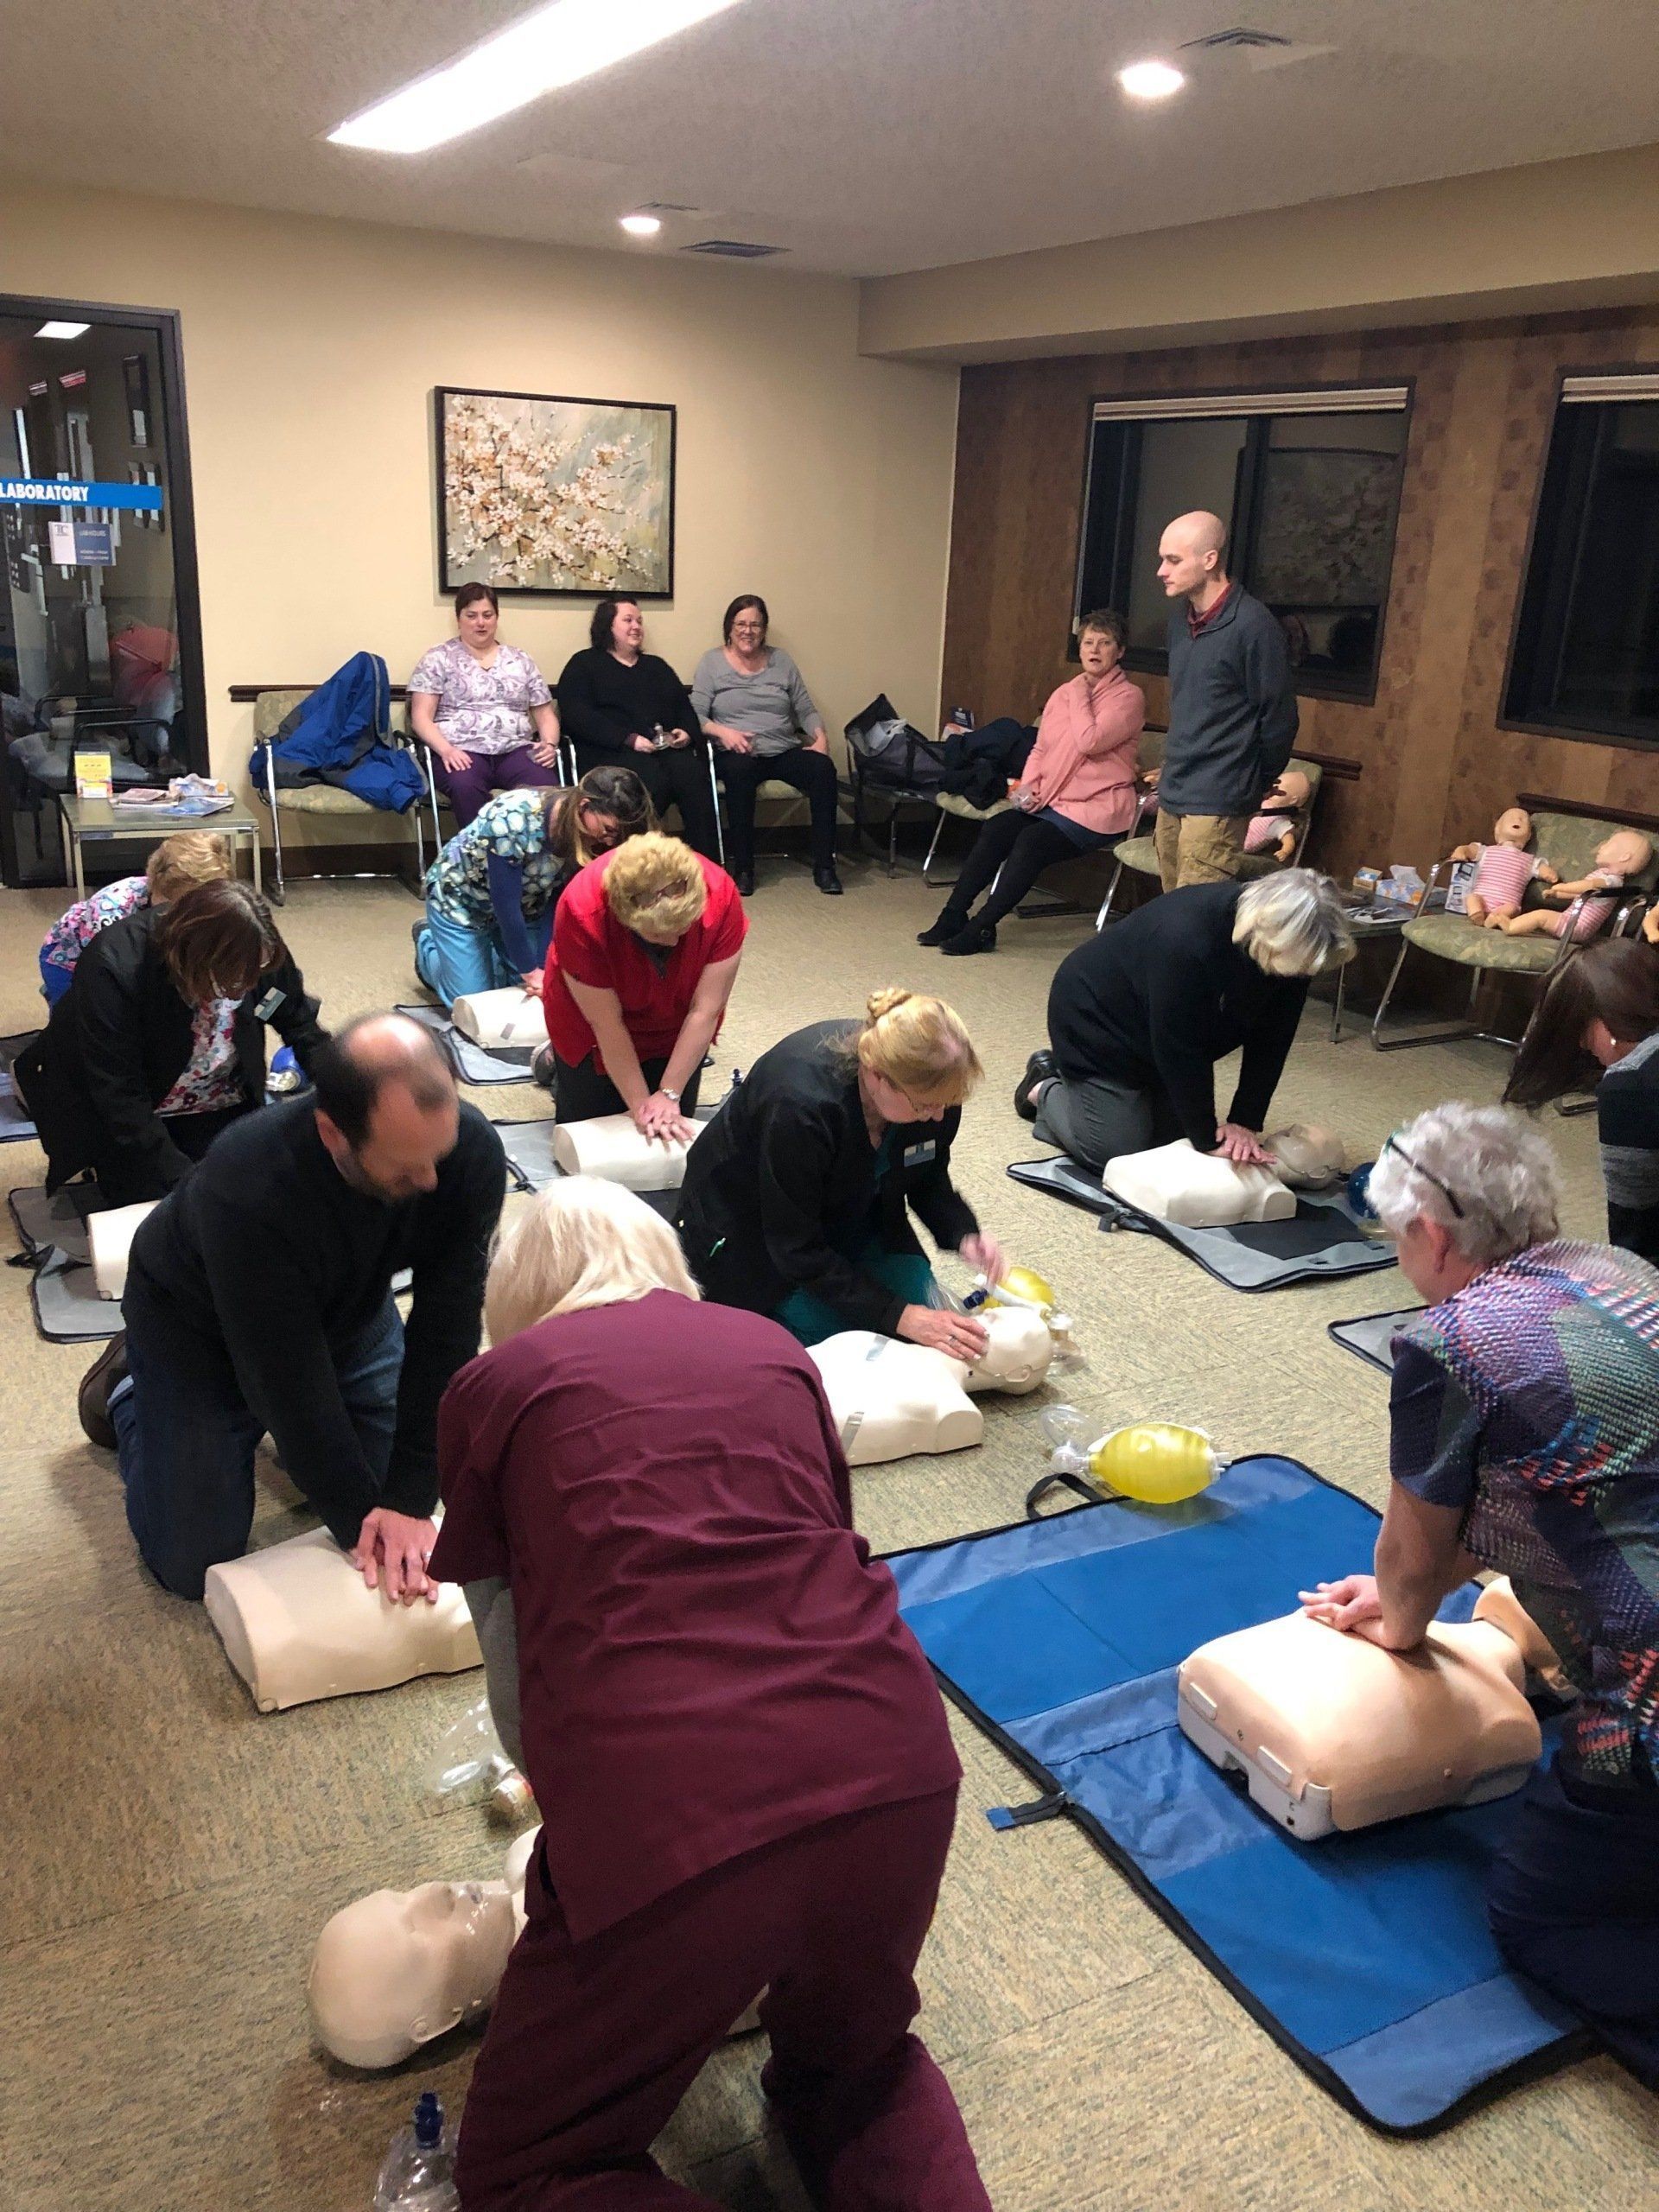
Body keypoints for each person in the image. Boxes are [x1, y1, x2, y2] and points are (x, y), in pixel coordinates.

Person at [428, 1178, 991, 2211]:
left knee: (525, 2167)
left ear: (515, 1296)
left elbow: (519, 1705)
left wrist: (593, 1866)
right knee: (857, 2063)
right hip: (896, 1765)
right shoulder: (772, 1347)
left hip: (673, 1813)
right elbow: (826, 1551)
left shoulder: (493, 1387)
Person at [1298, 1103, 1659, 2089]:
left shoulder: (1448, 1344)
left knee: (1545, 1912)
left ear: (1431, 1234)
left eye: (1392, 1237)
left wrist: (1399, 1612)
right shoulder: (1620, 1271)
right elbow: (1532, 1478)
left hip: (1650, 1700)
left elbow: (1412, 1574)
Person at [76, 1014, 507, 1604]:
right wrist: (362, 1525)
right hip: (194, 1326)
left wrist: (405, 1500)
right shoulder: (247, 1181)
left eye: (438, 1154)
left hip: (349, 1304)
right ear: (334, 1134)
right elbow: (285, 1380)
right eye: (405, 1168)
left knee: (404, 1487)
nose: (431, 1180)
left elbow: (447, 1327)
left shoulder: (471, 1153)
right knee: (191, 1564)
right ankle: (131, 1391)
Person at [678, 988, 1004, 1353]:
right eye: (926, 1104)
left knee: (920, 1325)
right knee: (840, 1348)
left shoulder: (933, 1095)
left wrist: (963, 1232)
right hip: (755, 1235)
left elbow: (926, 1175)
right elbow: (795, 1248)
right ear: (876, 1074)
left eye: (947, 1103)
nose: (939, 1116)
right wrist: (900, 1316)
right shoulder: (799, 1106)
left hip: (856, 1212)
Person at [1018, 871, 1352, 1173]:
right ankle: (1044, 1085)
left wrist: (1245, 1120)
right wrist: (1207, 1138)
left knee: (1169, 1143)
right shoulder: (1186, 938)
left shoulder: (1298, 944)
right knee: (1118, 1152)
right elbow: (1179, 1047)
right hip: (1094, 1022)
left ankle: (1128, 1099)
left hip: (1155, 1026)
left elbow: (1274, 1036)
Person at [16, 879, 326, 1205]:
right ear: (194, 957)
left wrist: (348, 1093)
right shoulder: (115, 966)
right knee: (171, 1215)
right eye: (231, 975)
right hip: (135, 1114)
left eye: (256, 970)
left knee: (272, 1188)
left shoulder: (258, 952)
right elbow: (119, 1096)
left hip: (221, 1100)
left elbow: (301, 1025)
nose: (244, 987)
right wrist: (184, 1182)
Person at [918, 607, 1144, 955]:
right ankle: (953, 914)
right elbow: (1041, 747)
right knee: (996, 828)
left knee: (1030, 842)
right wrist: (1029, 786)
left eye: (1105, 643)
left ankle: (983, 927)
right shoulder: (1062, 693)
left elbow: (1089, 740)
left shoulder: (1128, 698)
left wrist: (1082, 692)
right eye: (1088, 642)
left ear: (1120, 651)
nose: (1094, 650)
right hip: (1051, 800)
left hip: (1096, 809)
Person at [537, 832, 746, 1134]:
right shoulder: (582, 908)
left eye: (683, 929)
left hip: (677, 1019)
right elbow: (607, 1024)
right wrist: (641, 1106)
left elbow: (706, 1011)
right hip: (593, 1027)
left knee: (673, 1132)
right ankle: (554, 1070)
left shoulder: (721, 894)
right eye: (660, 936)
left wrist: (669, 1093)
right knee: (593, 1132)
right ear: (625, 917)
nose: (674, 941)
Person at [413, 766, 653, 1007]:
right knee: (474, 1003)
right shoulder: (513, 817)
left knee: (527, 990)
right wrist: (529, 970)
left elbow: (559, 900)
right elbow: (505, 906)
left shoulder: (595, 835)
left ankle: (481, 955)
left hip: (529, 904)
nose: (611, 839)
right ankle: (428, 949)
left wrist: (542, 966)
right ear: (584, 806)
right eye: (609, 829)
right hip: (462, 902)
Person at [1153, 510, 1297, 890]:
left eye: (1173, 560)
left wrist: (1256, 780)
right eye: (1162, 559)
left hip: (1220, 792)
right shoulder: (1178, 621)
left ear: (1210, 559)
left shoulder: (1254, 625)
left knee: (1194, 917)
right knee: (1169, 909)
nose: (1161, 571)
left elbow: (1279, 717)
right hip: (1175, 784)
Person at [1503, 937, 1659, 1265]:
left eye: (1583, 1034)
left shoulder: (1630, 1085)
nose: (1585, 1047)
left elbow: (1635, 1241)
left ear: (1602, 1021)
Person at [690, 594, 842, 897]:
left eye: (756, 625)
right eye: (742, 624)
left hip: (782, 749)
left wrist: (820, 738)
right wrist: (724, 733)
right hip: (736, 752)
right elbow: (694, 714)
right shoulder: (712, 661)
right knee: (740, 773)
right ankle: (744, 868)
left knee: (823, 769)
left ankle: (825, 866)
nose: (748, 631)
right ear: (730, 627)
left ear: (764, 629)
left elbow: (805, 708)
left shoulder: (782, 661)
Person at [556, 596, 720, 857]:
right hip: (610, 752)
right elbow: (578, 715)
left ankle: (704, 864)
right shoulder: (584, 665)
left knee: (691, 774)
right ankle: (636, 863)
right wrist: (627, 738)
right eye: (628, 620)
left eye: (640, 621)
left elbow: (684, 709)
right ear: (608, 626)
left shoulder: (657, 667)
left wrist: (685, 733)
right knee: (645, 780)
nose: (636, 627)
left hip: (663, 751)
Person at [407, 584, 562, 828]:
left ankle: (536, 860)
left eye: (487, 615)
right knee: (464, 785)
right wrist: (446, 750)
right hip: (461, 751)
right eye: (472, 615)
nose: (480, 622)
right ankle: (481, 859)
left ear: (496, 618)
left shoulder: (520, 659)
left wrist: (550, 744)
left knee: (547, 787)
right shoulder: (438, 658)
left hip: (515, 750)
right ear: (459, 619)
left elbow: (545, 715)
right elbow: (420, 718)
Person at [37, 830, 231, 1005]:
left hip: (139, 951)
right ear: (154, 881)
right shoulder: (112, 910)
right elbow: (99, 970)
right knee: (78, 1014)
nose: (180, 914)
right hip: (69, 958)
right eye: (171, 905)